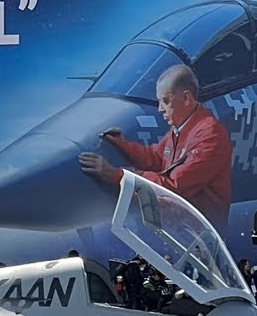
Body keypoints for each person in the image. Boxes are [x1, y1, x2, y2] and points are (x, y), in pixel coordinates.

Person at [77, 64, 233, 230]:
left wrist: (118, 175)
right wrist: (123, 144)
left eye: (165, 101)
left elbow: (175, 187)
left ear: (186, 98)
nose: (160, 109)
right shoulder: (183, 128)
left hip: (200, 234)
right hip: (181, 228)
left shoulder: (209, 135)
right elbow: (156, 158)